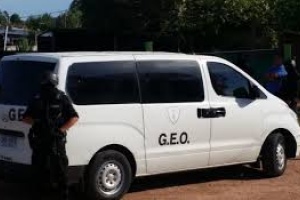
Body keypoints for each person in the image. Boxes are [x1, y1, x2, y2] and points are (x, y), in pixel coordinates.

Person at [23, 71, 79, 200]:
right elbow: (25, 118)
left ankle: (60, 194)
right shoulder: (40, 98)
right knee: (46, 171)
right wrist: (42, 124)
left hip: (52, 141)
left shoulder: (56, 98)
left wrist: (59, 130)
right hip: (46, 140)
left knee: (55, 170)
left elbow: (74, 117)